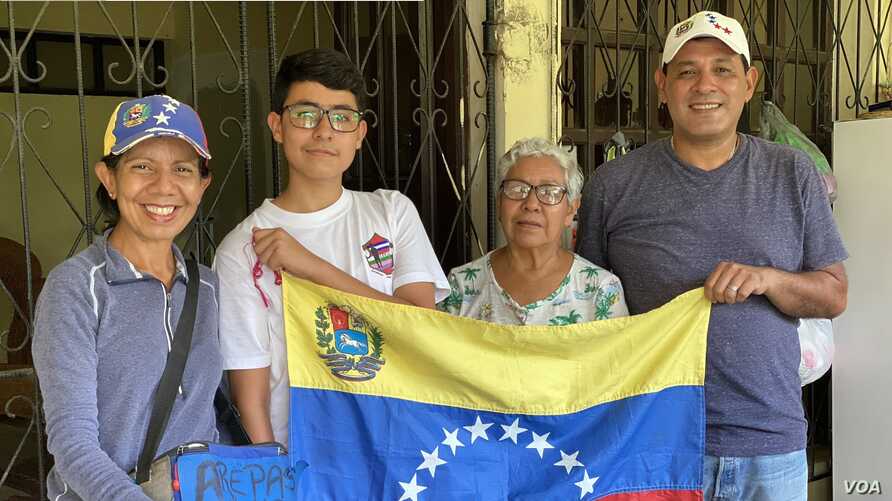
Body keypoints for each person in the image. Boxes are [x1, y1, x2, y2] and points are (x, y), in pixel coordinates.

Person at [575, 11, 848, 500]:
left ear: (749, 83)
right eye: (686, 71)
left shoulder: (793, 174)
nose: (705, 85)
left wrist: (769, 280)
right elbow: (588, 311)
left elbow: (833, 295)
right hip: (652, 447)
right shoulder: (613, 186)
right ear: (662, 86)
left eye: (723, 69)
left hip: (770, 444)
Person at [214, 48, 450, 446]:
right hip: (304, 459)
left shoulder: (391, 212)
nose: (324, 131)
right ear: (277, 126)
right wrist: (275, 476)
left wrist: (311, 267)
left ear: (359, 134)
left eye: (342, 117)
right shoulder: (242, 248)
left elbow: (421, 327)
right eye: (306, 114)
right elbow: (250, 395)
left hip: (399, 444)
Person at [32, 95, 219, 500]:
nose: (164, 186)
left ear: (202, 185)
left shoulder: (208, 288)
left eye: (183, 169)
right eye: (142, 167)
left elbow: (212, 419)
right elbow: (73, 444)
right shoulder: (78, 289)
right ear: (110, 179)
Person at [439, 137, 628, 325]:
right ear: (499, 203)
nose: (531, 204)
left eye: (550, 192)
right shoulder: (462, 285)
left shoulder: (601, 291)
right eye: (517, 189)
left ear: (571, 209)